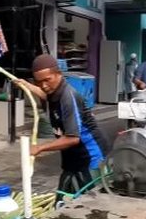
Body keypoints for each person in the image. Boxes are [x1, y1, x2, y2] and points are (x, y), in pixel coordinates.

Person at [15, 54, 108, 200]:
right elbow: (45, 95)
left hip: (90, 158)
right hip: (71, 157)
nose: (43, 86)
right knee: (64, 200)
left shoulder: (68, 97)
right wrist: (27, 85)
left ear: (58, 74)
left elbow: (73, 139)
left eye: (47, 80)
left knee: (91, 204)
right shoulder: (53, 91)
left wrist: (39, 148)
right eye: (39, 82)